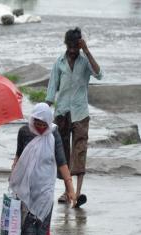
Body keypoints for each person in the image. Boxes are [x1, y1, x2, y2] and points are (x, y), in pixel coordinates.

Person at [9, 103, 76, 235]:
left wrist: (70, 188)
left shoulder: (52, 135)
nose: (39, 126)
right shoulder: (24, 132)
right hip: (26, 193)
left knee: (42, 234)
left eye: (42, 123)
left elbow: (61, 162)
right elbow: (19, 156)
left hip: (45, 193)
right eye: (36, 122)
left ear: (48, 122)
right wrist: (13, 176)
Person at [45, 27, 103, 207]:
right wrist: (45, 111)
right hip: (62, 113)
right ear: (66, 44)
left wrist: (86, 50)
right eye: (69, 46)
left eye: (75, 47)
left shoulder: (85, 61)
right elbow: (52, 88)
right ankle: (66, 191)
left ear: (79, 45)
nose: (72, 51)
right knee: (62, 153)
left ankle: (77, 194)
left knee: (79, 150)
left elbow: (99, 74)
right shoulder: (59, 63)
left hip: (80, 113)